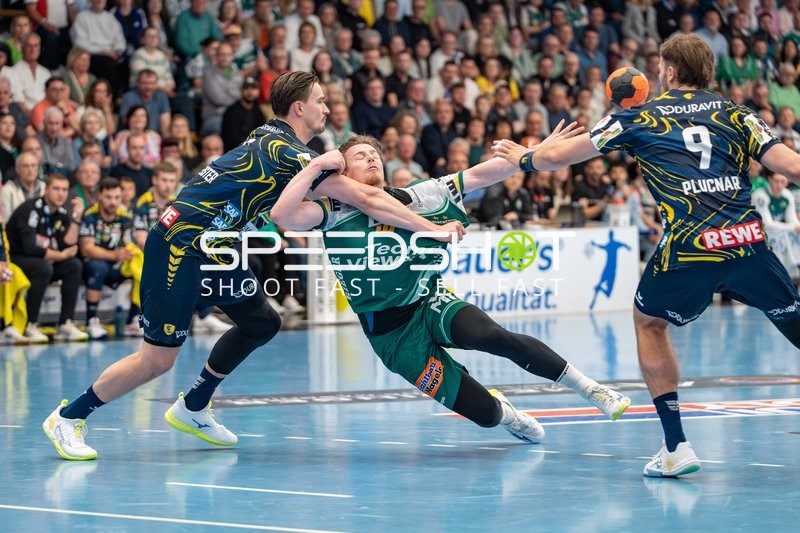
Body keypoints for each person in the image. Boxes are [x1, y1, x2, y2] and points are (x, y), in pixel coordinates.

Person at [43, 71, 464, 461]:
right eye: (320, 101)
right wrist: (432, 228)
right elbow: (367, 199)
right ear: (298, 107)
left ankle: (193, 406)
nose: (327, 109)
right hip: (179, 246)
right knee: (158, 360)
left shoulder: (276, 141)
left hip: (214, 248)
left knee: (262, 322)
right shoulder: (287, 152)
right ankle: (68, 417)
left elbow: (350, 196)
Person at [493, 34, 800, 478]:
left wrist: (525, 158)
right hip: (746, 241)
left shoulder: (637, 116)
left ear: (670, 72)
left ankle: (676, 447)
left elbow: (560, 157)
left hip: (691, 247)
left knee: (650, 323)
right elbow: (790, 166)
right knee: (793, 323)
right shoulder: (737, 113)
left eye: (660, 66)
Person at [270, 129, 630, 445]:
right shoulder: (332, 211)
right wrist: (315, 167)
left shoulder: (418, 195)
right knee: (484, 414)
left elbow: (480, 174)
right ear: (343, 171)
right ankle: (506, 414)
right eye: (359, 156)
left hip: (430, 300)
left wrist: (532, 156)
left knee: (492, 335)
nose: (371, 159)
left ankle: (592, 389)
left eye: (375, 155)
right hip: (392, 336)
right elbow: (284, 216)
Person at [6, 173, 87, 343]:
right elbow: (30, 247)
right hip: (17, 259)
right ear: (46, 189)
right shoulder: (30, 209)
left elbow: (67, 245)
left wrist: (77, 219)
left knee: (74, 265)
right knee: (43, 267)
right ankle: (30, 325)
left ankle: (65, 323)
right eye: (56, 189)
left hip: (43, 260)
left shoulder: (61, 213)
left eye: (64, 189)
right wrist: (59, 255)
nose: (61, 194)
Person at [78, 177, 138, 340]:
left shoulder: (125, 217)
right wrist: (114, 255)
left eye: (117, 198)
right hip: (92, 264)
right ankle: (92, 321)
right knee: (99, 267)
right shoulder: (90, 215)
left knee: (141, 266)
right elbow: (86, 249)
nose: (113, 202)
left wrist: (129, 253)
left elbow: (128, 243)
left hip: (116, 263)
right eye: (108, 197)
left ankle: (134, 320)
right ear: (99, 196)